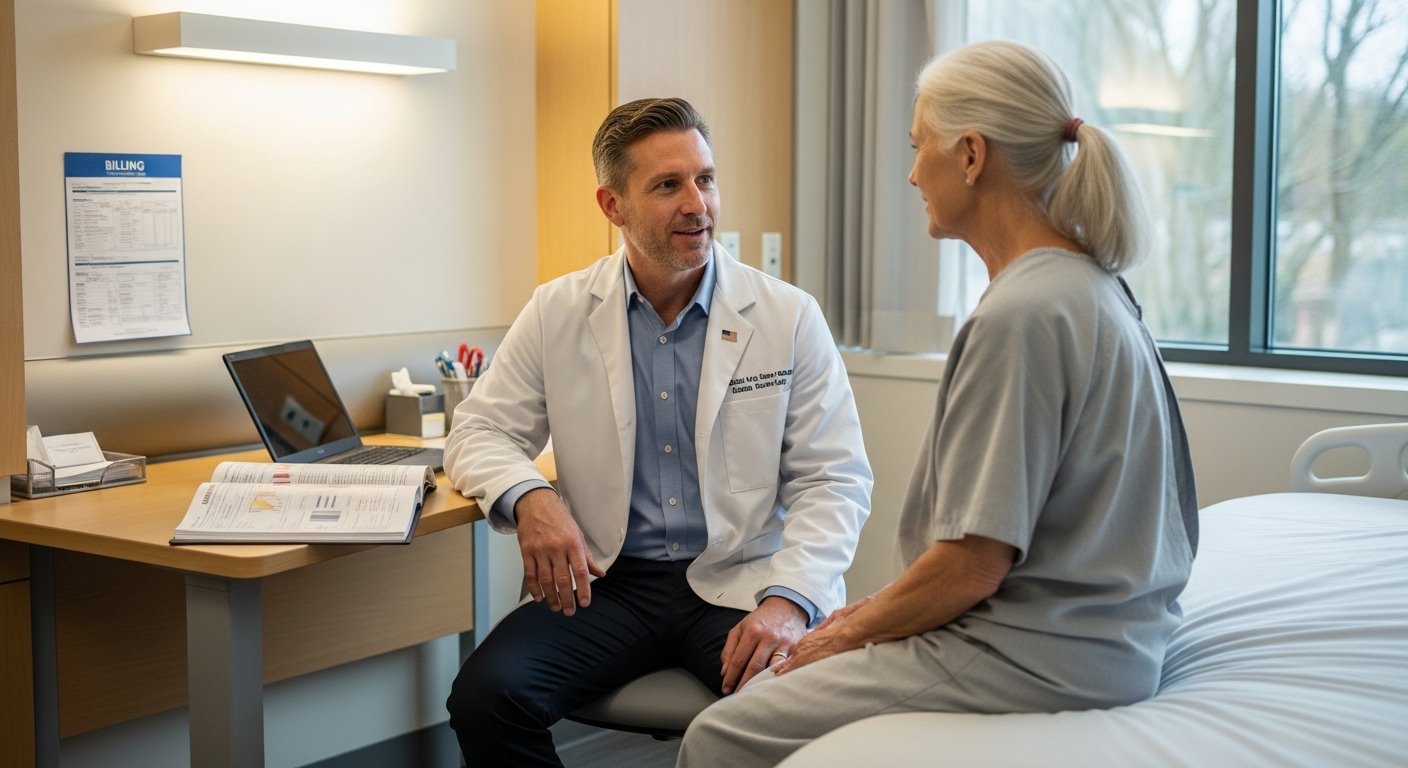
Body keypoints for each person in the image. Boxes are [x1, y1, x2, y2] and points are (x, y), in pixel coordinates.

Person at [677, 40, 1199, 767]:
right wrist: (867, 611)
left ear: (972, 156)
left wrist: (837, 634)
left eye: (921, 146)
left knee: (721, 733)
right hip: (1109, 638)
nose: (913, 170)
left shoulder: (1022, 313)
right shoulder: (1089, 285)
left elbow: (970, 566)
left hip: (1038, 653)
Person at [442, 96, 873, 766]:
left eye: (705, 179)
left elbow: (835, 479)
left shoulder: (787, 316)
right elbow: (477, 432)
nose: (697, 205)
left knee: (803, 716)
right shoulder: (558, 310)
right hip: (609, 585)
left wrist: (789, 602)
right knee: (486, 698)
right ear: (611, 206)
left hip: (745, 581)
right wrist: (531, 496)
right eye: (668, 185)